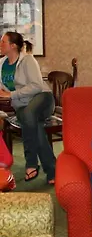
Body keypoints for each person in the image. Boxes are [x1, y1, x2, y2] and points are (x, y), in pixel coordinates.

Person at [0, 31, 56, 183]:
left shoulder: (28, 60)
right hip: (22, 105)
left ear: (13, 46)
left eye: (3, 42)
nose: (0, 44)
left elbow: (37, 86)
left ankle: (31, 163)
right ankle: (52, 170)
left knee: (29, 115)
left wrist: (11, 95)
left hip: (42, 99)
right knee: (34, 125)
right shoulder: (1, 64)